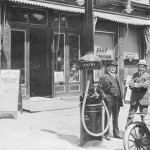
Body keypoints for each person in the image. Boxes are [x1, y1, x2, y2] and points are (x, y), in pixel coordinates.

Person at [96, 60, 123, 141]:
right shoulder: (104, 76)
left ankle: (116, 133)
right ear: (107, 68)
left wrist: (121, 97)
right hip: (109, 98)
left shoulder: (117, 76)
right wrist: (105, 97)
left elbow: (120, 87)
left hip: (117, 99)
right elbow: (99, 88)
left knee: (116, 117)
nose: (113, 68)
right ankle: (106, 134)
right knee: (108, 116)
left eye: (114, 67)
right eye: (111, 67)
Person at [125, 60, 150, 128]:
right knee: (130, 116)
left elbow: (145, 86)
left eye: (143, 67)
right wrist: (139, 85)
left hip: (143, 99)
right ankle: (127, 131)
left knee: (144, 118)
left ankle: (144, 134)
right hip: (134, 99)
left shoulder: (148, 76)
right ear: (137, 67)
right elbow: (130, 85)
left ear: (145, 68)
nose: (141, 68)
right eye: (140, 67)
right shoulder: (134, 75)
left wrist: (136, 85)